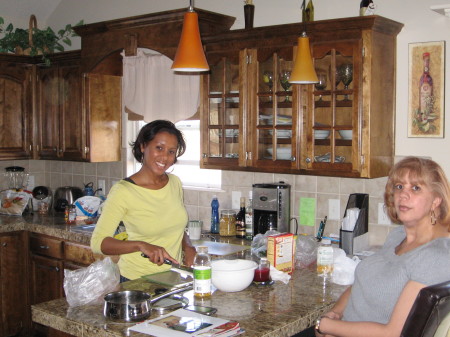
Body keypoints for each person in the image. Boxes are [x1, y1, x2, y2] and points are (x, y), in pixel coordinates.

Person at [315, 156, 450, 337]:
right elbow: (363, 283)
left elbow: (393, 333)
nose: (403, 194)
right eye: (399, 186)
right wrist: (335, 314)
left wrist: (325, 326)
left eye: (416, 188)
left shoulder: (436, 255)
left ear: (436, 200)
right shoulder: (399, 235)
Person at [90, 120, 196, 282]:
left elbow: (177, 228)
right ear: (143, 146)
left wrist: (188, 246)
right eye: (159, 148)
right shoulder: (123, 191)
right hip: (137, 281)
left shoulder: (174, 183)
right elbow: (98, 243)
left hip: (173, 278)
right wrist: (141, 245)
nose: (165, 157)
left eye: (171, 151)